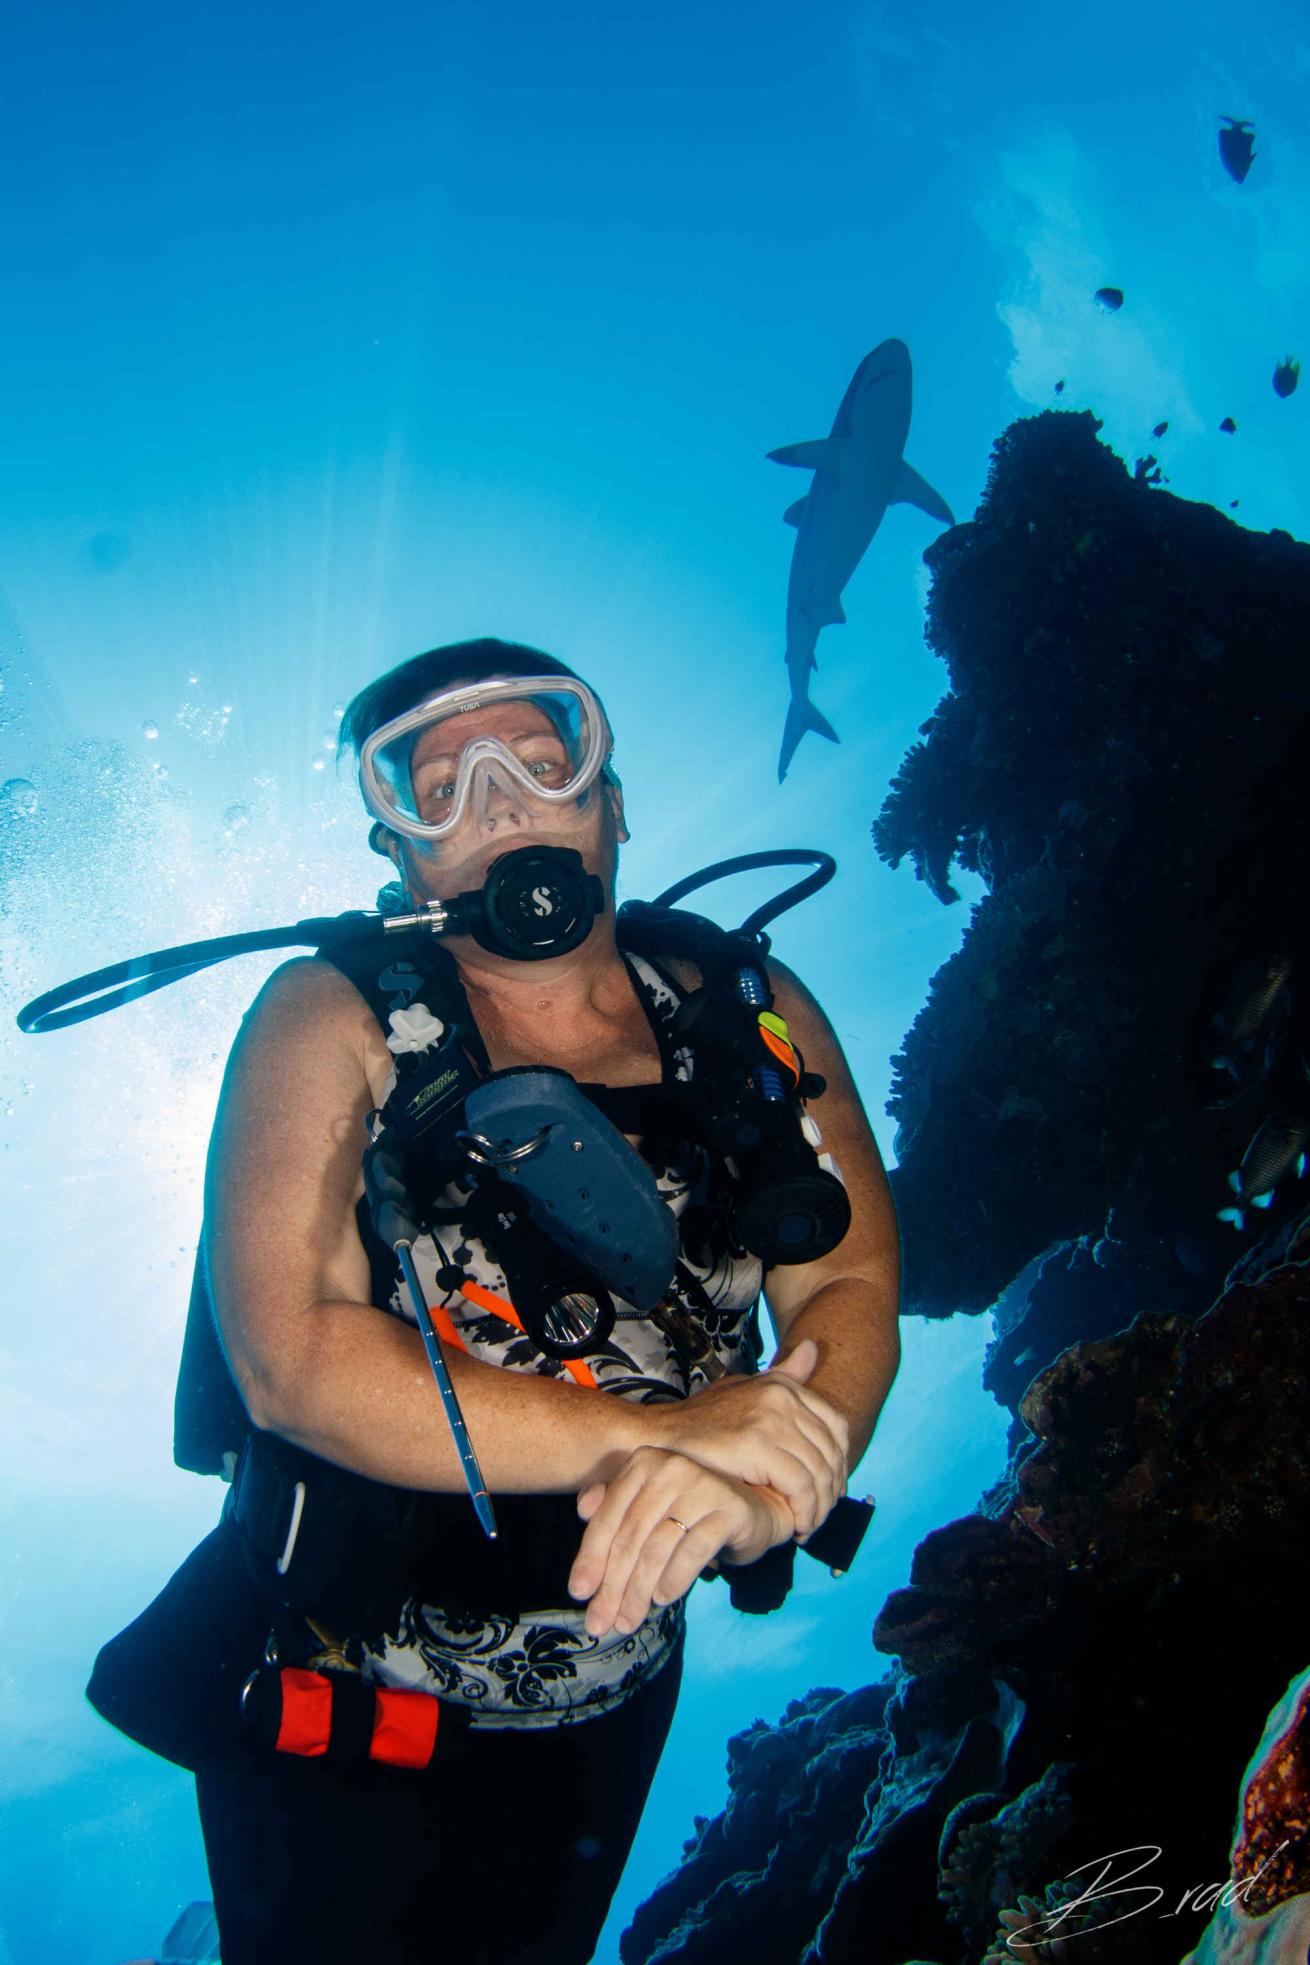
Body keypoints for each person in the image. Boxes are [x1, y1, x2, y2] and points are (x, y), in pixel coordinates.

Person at [96, 636, 903, 1965]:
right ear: (397, 850)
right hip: (338, 1695)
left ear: (615, 799)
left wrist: (792, 1466)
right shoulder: (329, 1008)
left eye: (543, 760)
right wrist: (670, 1438)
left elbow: (854, 1276)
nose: (504, 800)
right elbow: (289, 1353)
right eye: (441, 787)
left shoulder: (744, 1000)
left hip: (616, 1685)